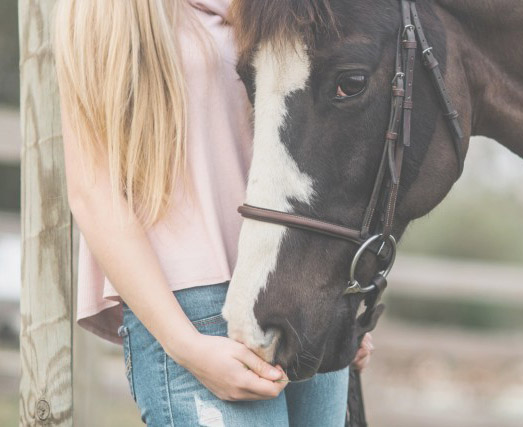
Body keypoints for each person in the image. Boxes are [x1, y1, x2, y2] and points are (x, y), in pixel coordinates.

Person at [53, 0, 374, 425]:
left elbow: (327, 152)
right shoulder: (111, 9)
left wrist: (348, 296)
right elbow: (96, 194)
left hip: (303, 289)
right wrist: (187, 347)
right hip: (194, 308)